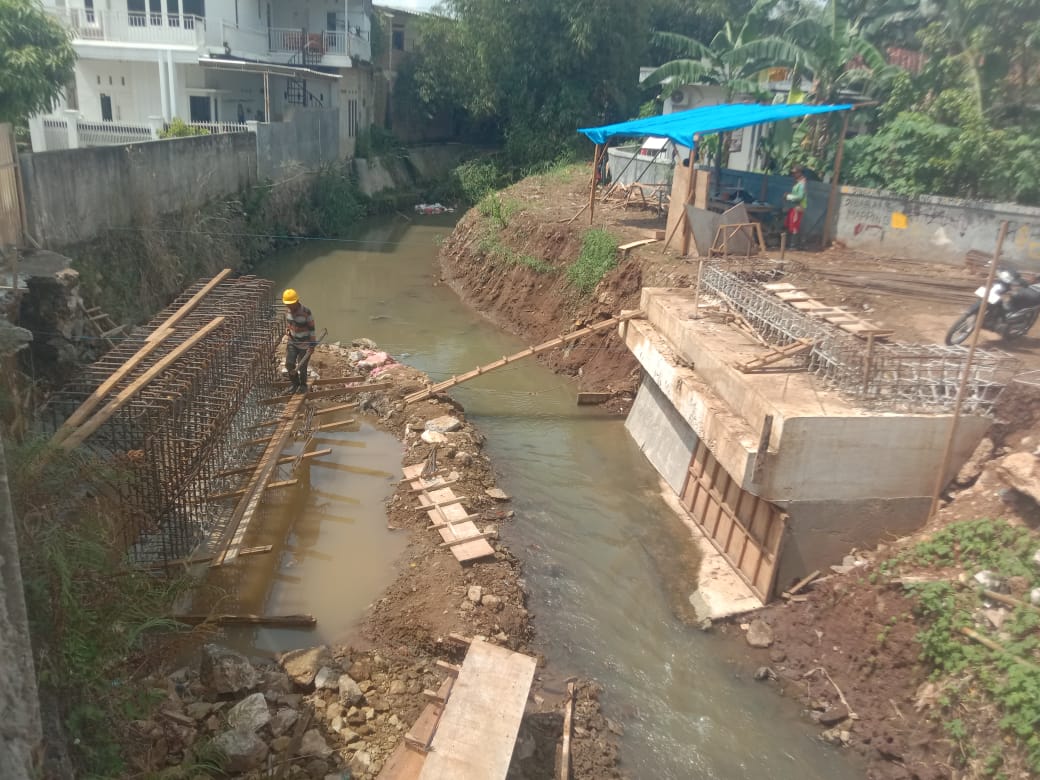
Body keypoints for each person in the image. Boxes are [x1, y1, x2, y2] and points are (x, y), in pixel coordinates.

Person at [282, 288, 316, 393]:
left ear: (296, 301)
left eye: (291, 304)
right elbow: (289, 323)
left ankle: (303, 385)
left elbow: (312, 330)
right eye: (287, 304)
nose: (289, 306)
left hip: (305, 345)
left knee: (302, 366)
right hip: (292, 342)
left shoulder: (306, 312)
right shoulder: (288, 310)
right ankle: (294, 384)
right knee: (289, 364)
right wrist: (287, 329)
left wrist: (312, 346)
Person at [784, 165, 808, 248]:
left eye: (795, 173)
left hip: (798, 207)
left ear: (800, 173)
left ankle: (793, 245)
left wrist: (788, 197)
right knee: (792, 224)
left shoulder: (801, 184)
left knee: (794, 225)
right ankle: (793, 244)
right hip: (796, 206)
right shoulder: (799, 183)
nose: (793, 174)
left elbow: (799, 197)